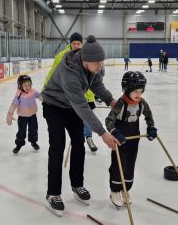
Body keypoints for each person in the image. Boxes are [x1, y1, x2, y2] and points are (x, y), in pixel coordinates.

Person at [41, 35, 120, 217]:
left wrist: (111, 100)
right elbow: (82, 107)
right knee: (58, 145)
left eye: (101, 62)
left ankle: (77, 185)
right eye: (97, 64)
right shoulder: (69, 73)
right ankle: (52, 193)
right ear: (86, 61)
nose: (100, 67)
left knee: (78, 143)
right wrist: (102, 133)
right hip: (53, 105)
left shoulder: (94, 66)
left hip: (70, 106)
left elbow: (97, 85)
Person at [105, 71, 157, 207]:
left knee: (130, 164)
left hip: (134, 138)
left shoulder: (142, 103)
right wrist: (115, 132)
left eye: (141, 91)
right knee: (119, 164)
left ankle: (125, 189)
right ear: (126, 89)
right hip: (120, 140)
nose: (138, 94)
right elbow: (109, 121)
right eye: (135, 91)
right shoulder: (121, 104)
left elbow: (149, 115)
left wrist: (151, 127)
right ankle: (114, 191)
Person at [44, 32, 99, 153]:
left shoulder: (87, 56)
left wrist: (91, 97)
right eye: (73, 43)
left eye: (78, 43)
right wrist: (45, 90)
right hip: (66, 98)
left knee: (87, 118)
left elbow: (90, 80)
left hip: (84, 96)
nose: (76, 45)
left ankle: (89, 138)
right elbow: (53, 74)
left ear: (81, 44)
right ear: (70, 44)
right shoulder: (62, 55)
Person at [6, 75, 41, 154]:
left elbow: (40, 95)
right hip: (22, 116)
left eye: (29, 85)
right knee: (21, 131)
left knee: (33, 130)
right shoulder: (18, 95)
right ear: (20, 85)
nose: (28, 87)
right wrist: (10, 114)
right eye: (25, 85)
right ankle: (19, 144)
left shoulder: (33, 92)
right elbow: (13, 105)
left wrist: (44, 96)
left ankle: (33, 142)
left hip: (32, 115)